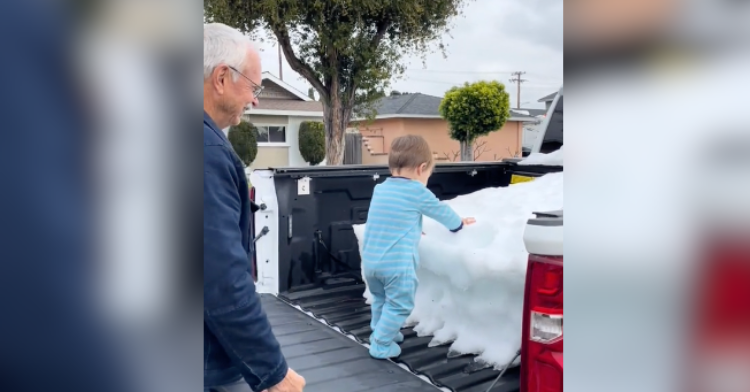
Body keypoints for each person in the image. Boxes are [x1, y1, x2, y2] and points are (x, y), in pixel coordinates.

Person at [203, 23, 305, 392]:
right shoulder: (205, 153)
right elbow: (219, 278)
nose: (256, 99)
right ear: (221, 78)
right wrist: (273, 372)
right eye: (254, 86)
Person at [361, 135, 476, 359]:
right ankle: (381, 344)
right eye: (428, 175)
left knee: (381, 299)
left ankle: (381, 330)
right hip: (397, 265)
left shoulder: (381, 189)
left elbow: (389, 218)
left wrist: (412, 228)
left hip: (372, 262)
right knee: (400, 305)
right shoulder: (417, 191)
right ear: (421, 168)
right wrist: (459, 223)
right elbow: (441, 212)